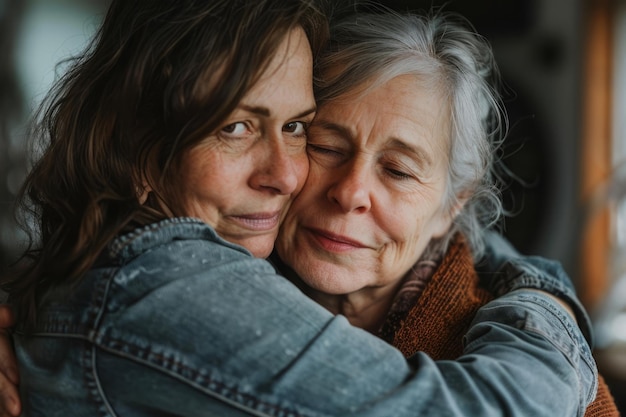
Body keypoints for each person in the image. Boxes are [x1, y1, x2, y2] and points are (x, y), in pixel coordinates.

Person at [0, 1, 597, 416]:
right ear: (137, 137)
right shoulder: (165, 281)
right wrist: (548, 298)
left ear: (452, 210)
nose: (291, 175)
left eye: (294, 128)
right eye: (326, 145)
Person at [273, 11, 619, 416]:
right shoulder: (213, 291)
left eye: (399, 171)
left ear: (452, 205)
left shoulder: (559, 385)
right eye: (326, 147)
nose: (350, 193)